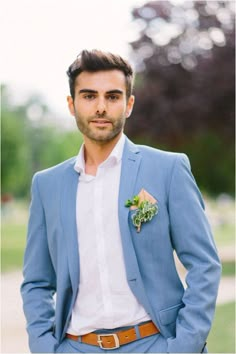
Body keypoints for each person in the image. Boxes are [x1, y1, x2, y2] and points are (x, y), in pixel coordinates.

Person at [21, 49, 221, 353]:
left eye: (112, 97)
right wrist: (45, 347)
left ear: (128, 105)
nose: (101, 107)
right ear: (71, 105)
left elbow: (204, 264)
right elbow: (36, 281)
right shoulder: (47, 184)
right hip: (75, 346)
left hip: (153, 343)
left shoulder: (168, 170)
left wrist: (183, 346)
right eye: (89, 96)